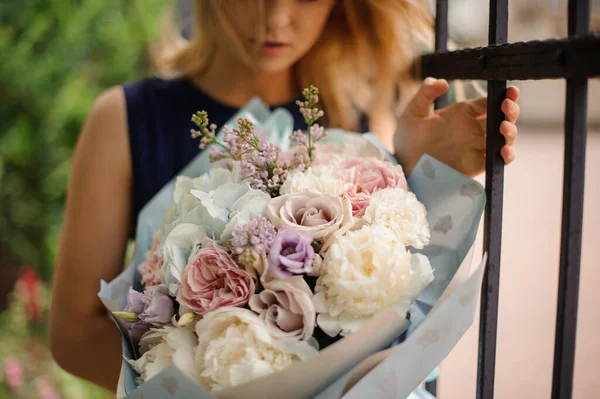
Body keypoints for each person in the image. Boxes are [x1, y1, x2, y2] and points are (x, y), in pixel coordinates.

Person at [49, 0, 521, 393]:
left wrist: (421, 173)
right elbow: (73, 335)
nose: (274, 19)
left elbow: (397, 303)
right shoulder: (124, 118)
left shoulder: (361, 112)